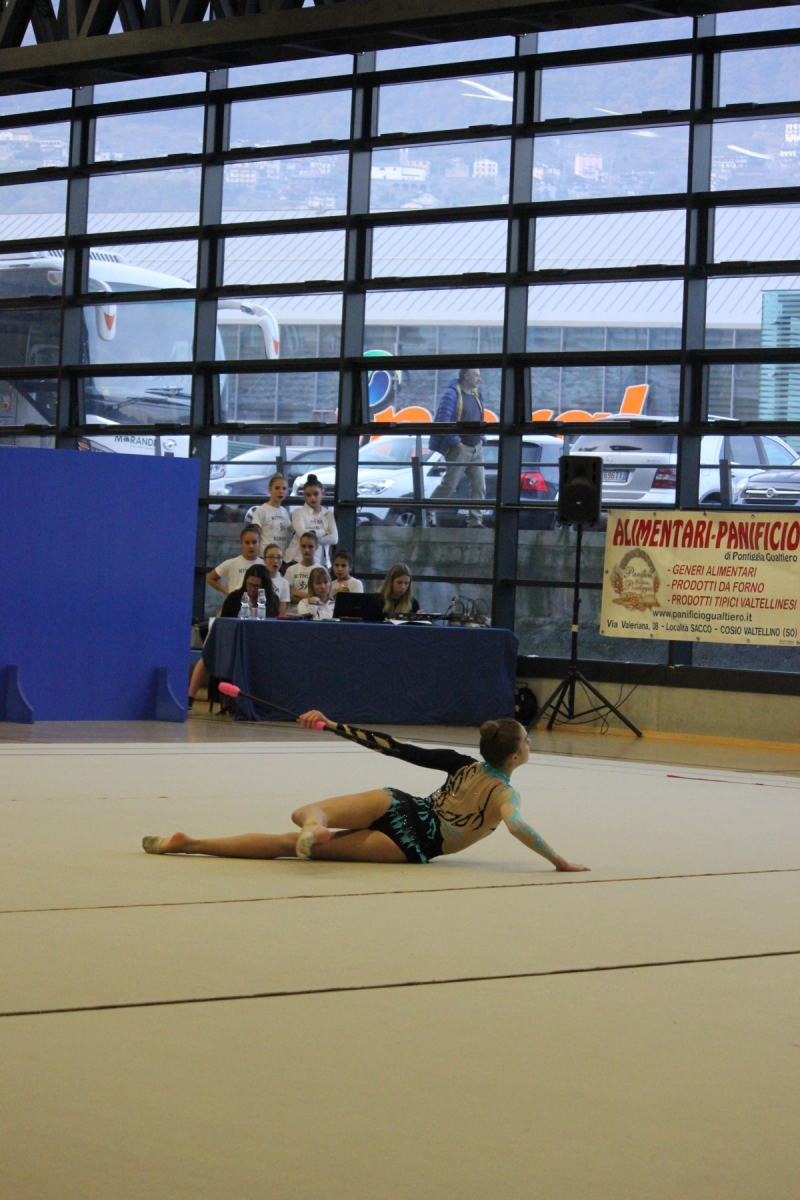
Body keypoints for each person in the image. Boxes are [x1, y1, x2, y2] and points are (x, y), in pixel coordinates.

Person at [142, 713, 589, 870]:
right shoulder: (505, 795)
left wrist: (333, 725)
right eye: (527, 741)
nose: (530, 744)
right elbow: (518, 828)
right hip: (413, 842)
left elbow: (396, 747)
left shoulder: (459, 762)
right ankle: (191, 843)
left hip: (398, 802)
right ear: (515, 756)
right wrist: (560, 861)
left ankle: (193, 842)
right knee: (287, 847)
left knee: (305, 814)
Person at [188, 565, 276, 708]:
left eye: (256, 586)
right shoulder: (235, 597)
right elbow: (225, 624)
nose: (252, 589)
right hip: (232, 642)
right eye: (249, 584)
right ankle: (190, 696)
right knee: (207, 655)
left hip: (259, 645)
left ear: (264, 586)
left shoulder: (271, 600)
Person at [429, 367, 486, 528]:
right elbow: (443, 421)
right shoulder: (452, 394)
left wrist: (482, 439)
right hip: (460, 448)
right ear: (466, 376)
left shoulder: (477, 395)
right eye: (476, 375)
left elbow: (481, 419)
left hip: (475, 447)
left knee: (479, 486)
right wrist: (456, 443)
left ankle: (475, 522)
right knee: (449, 486)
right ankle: (426, 513)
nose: (479, 379)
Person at [284, 475, 338, 567]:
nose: (312, 498)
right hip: (296, 560)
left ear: (322, 493)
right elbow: (303, 534)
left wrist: (311, 538)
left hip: (319, 562)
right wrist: (324, 532)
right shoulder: (298, 512)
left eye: (316, 494)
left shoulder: (328, 514)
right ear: (304, 496)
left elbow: (334, 539)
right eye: (308, 495)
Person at [206, 525, 261, 596]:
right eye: (247, 543)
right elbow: (210, 578)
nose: (251, 546)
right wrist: (227, 592)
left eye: (254, 542)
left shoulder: (264, 565)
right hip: (236, 602)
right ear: (241, 543)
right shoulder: (231, 563)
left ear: (259, 543)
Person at [250, 473, 292, 557]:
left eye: (284, 488)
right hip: (265, 556)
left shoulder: (284, 511)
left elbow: (290, 529)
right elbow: (255, 536)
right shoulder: (261, 510)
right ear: (270, 490)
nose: (281, 491)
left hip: (280, 555)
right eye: (277, 488)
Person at [284, 532, 320, 614]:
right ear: (300, 547)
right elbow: (288, 597)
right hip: (292, 614)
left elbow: (320, 598)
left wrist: (297, 593)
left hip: (313, 614)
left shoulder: (321, 570)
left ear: (316, 547)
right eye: (303, 546)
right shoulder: (291, 570)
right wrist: (309, 598)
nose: (307, 550)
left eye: (310, 547)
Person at [263, 543, 289, 617]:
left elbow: (282, 612)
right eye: (271, 557)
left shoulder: (284, 583)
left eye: (279, 557)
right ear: (264, 559)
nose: (275, 561)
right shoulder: (258, 578)